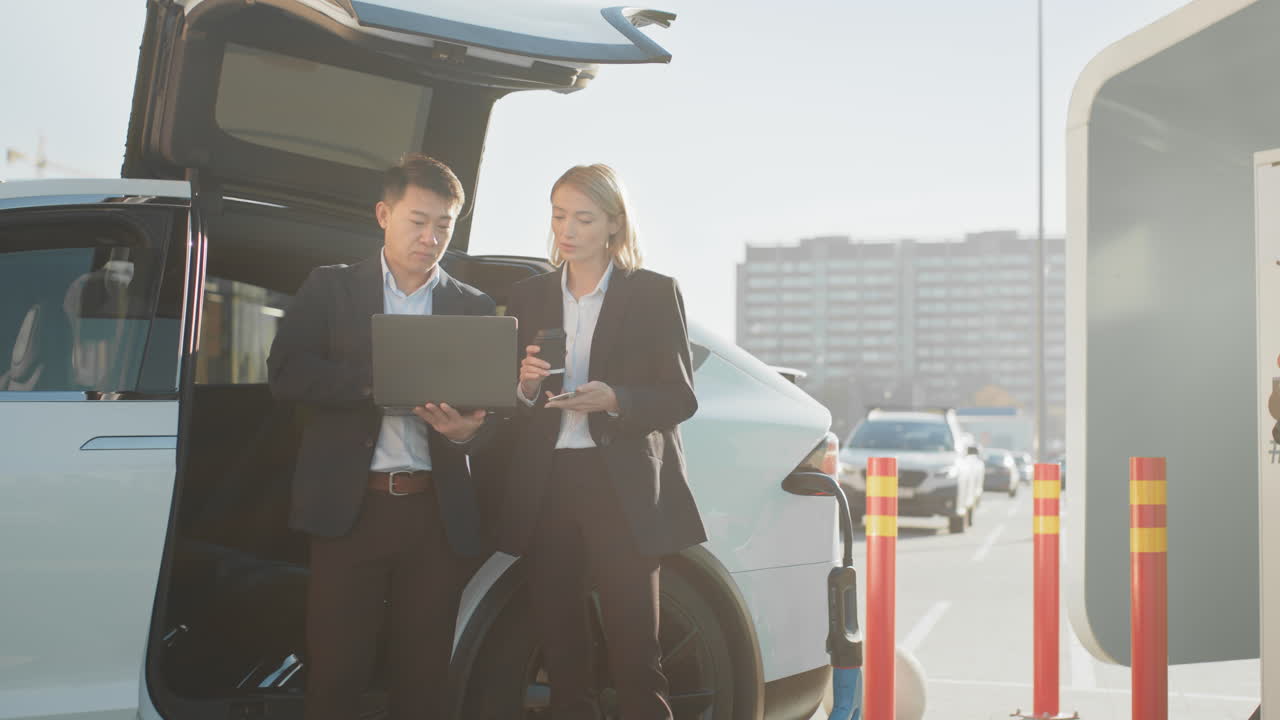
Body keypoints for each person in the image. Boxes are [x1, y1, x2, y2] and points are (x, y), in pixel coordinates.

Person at [266, 153, 495, 720]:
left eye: (444, 224)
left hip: (435, 518)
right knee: (337, 677)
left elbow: (493, 427)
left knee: (422, 682)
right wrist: (376, 383)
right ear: (382, 214)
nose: (431, 236)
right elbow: (286, 372)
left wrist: (467, 435)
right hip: (350, 512)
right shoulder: (331, 289)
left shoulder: (474, 307)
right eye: (418, 220)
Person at [498, 164, 707, 719]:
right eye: (559, 214)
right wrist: (522, 387)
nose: (566, 229)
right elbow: (508, 407)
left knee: (637, 654)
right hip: (549, 488)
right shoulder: (527, 296)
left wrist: (613, 399)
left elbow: (679, 398)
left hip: (622, 490)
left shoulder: (654, 293)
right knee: (563, 655)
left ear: (613, 224)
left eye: (583, 218)